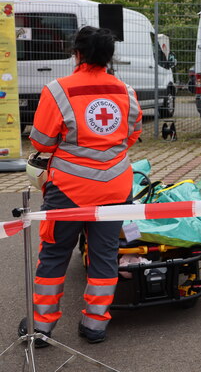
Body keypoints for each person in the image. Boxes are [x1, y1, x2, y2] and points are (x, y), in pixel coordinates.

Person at [20, 26, 142, 346]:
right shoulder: (125, 91)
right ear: (109, 57)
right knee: (104, 255)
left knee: (55, 255)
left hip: (68, 191)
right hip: (116, 187)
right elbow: (131, 134)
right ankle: (95, 325)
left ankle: (42, 327)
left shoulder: (59, 90)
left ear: (77, 53)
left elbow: (41, 142)